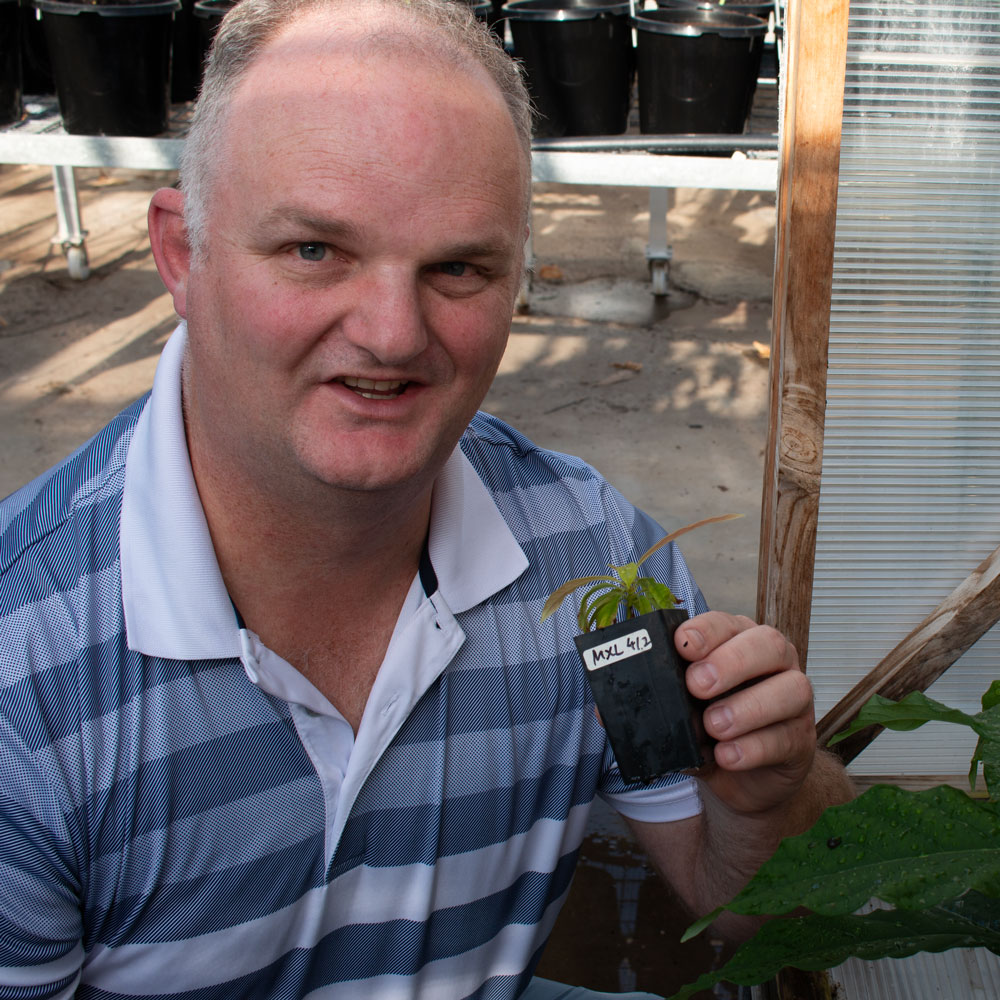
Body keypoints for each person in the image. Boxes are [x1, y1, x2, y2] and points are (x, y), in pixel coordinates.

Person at [0, 0, 853, 996]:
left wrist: (765, 800)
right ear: (182, 254)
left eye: (457, 266)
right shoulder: (29, 677)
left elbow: (744, 907)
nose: (393, 334)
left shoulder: (590, 556)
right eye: (314, 250)